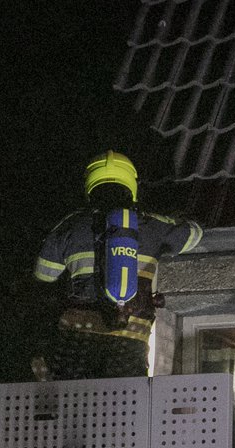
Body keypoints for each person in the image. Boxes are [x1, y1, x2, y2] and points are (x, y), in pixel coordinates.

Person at [31, 151, 203, 380]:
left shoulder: (71, 225)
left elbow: (44, 274)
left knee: (71, 403)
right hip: (131, 336)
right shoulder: (151, 225)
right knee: (125, 405)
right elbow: (194, 234)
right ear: (131, 184)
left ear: (90, 186)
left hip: (78, 333)